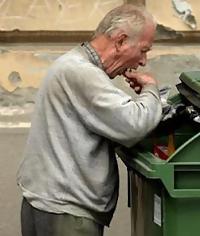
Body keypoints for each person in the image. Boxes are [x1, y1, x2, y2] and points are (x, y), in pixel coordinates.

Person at [16, 4, 162, 236]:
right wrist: (150, 89)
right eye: (144, 50)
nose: (143, 61)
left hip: (50, 205)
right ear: (121, 41)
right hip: (66, 212)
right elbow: (134, 125)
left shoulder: (74, 65)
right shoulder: (81, 73)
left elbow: (112, 117)